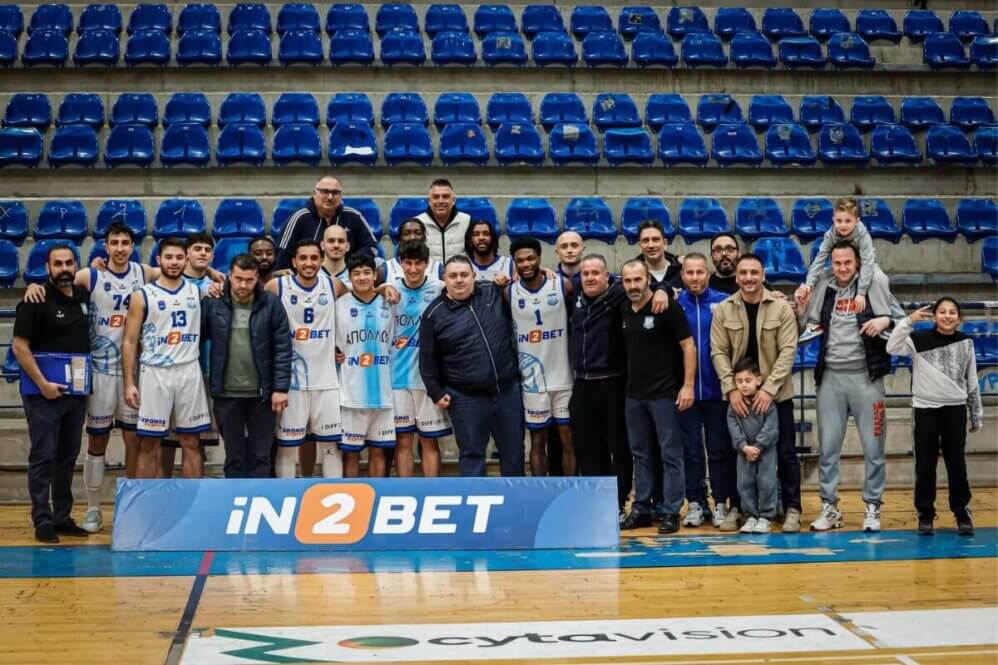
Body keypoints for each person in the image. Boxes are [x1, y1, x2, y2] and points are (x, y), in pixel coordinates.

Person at [22, 223, 145, 533]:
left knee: (127, 442)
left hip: (124, 373)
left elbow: (180, 268)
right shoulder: (88, 277)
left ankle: (124, 508)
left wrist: (213, 275)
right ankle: (88, 509)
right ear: (105, 246)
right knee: (87, 444)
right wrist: (31, 285)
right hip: (92, 374)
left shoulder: (139, 274)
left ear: (132, 246)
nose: (120, 247)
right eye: (114, 242)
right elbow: (21, 344)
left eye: (125, 242)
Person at [799, 241, 902, 533]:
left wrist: (885, 320)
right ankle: (830, 508)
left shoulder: (873, 286)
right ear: (830, 264)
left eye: (847, 262)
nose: (842, 268)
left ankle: (872, 506)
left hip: (867, 379)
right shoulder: (824, 287)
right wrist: (801, 309)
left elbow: (903, 322)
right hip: (831, 378)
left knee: (874, 448)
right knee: (828, 449)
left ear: (857, 263)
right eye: (837, 263)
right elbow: (806, 324)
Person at [569, 254, 668, 518]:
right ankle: (594, 501)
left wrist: (663, 289)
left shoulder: (619, 295)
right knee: (587, 448)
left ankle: (619, 500)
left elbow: (649, 283)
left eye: (595, 273)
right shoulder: (574, 297)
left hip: (613, 382)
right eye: (585, 273)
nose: (590, 278)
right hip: (582, 383)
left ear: (607, 277)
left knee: (619, 447)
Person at [710, 253, 801, 532]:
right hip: (738, 397)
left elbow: (788, 351)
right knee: (738, 455)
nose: (749, 278)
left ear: (763, 275)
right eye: (743, 273)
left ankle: (792, 508)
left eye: (754, 272)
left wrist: (769, 389)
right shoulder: (724, 309)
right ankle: (739, 508)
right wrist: (731, 389)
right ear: (737, 277)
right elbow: (718, 351)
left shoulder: (781, 308)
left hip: (777, 395)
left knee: (785, 452)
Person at [13, 244, 91, 543]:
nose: (64, 269)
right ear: (47, 268)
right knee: (43, 456)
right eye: (58, 264)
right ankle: (42, 519)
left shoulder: (82, 297)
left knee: (67, 456)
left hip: (75, 393)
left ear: (76, 265)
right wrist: (43, 384)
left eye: (69, 263)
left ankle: (62, 516)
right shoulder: (35, 300)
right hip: (42, 395)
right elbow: (20, 348)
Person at [419, 256, 524, 477]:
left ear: (474, 276)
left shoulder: (492, 291)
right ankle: (476, 499)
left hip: (507, 392)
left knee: (514, 453)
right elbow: (427, 359)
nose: (459, 280)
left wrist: (541, 272)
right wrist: (435, 391)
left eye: (464, 275)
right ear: (444, 279)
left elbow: (525, 281)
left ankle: (516, 498)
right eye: (453, 276)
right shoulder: (433, 314)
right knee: (472, 456)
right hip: (466, 398)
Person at [887, 297, 982, 536]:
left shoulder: (966, 342)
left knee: (956, 463)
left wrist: (976, 413)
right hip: (925, 410)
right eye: (942, 311)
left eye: (952, 312)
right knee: (925, 464)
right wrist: (909, 320)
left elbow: (972, 379)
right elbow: (892, 346)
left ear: (958, 318)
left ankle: (961, 512)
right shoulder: (918, 339)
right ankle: (925, 514)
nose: (947, 316)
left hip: (955, 410)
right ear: (935, 316)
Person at [122, 237, 212, 479]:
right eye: (169, 257)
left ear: (186, 260)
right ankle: (146, 501)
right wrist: (129, 383)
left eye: (179, 257)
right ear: (158, 260)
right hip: (154, 373)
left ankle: (194, 501)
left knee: (191, 441)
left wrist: (214, 273)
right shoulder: (142, 295)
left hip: (189, 371)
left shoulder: (199, 292)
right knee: (149, 443)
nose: (174, 262)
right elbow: (129, 342)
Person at [618, 260, 696, 535]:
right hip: (634, 395)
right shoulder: (623, 308)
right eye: (628, 280)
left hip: (665, 394)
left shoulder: (667, 307)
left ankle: (671, 510)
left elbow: (688, 346)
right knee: (640, 454)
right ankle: (641, 508)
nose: (633, 285)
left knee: (670, 454)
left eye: (637, 279)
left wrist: (688, 386)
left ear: (648, 279)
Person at [201, 254, 291, 478]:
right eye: (238, 279)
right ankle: (234, 499)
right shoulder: (213, 302)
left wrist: (280, 388)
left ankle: (259, 498)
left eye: (249, 280)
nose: (243, 285)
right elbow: (195, 338)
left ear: (257, 278)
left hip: (262, 393)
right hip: (226, 392)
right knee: (234, 456)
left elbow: (283, 347)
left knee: (262, 456)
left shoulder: (271, 303)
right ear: (229, 276)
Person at [266, 240, 347, 478]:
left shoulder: (333, 285)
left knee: (331, 447)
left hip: (327, 381)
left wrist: (383, 288)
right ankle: (286, 495)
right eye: (303, 258)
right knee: (287, 448)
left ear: (321, 260)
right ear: (294, 261)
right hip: (292, 384)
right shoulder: (277, 286)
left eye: (314, 258)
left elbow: (361, 298)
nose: (309, 263)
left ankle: (333, 494)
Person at [676, 252, 739, 530]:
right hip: (685, 392)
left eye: (699, 272)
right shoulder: (675, 305)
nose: (695, 278)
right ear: (682, 276)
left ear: (708, 274)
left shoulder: (724, 303)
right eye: (689, 272)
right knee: (691, 451)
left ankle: (721, 502)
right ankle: (695, 502)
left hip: (717, 391)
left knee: (718, 450)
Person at [506, 237, 575, 476]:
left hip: (563, 377)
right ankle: (540, 489)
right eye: (520, 261)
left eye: (530, 258)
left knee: (568, 439)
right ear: (514, 263)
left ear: (539, 258)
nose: (526, 264)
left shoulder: (562, 285)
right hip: (532, 382)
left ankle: (571, 489)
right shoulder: (508, 291)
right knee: (537, 441)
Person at [160, 233, 219, 478]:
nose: (203, 253)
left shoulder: (217, 286)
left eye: (207, 249)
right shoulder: (167, 281)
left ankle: (195, 494)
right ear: (186, 255)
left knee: (196, 438)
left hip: (205, 370)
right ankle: (163, 490)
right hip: (170, 369)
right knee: (165, 439)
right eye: (197, 248)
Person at [389, 241, 449, 477]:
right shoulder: (390, 289)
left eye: (418, 263)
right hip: (397, 378)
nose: (413, 269)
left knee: (429, 441)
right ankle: (406, 490)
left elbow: (469, 285)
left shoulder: (439, 288)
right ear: (400, 264)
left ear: (426, 264)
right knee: (403, 440)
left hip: (428, 381)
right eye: (408, 263)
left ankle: (432, 490)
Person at [336, 253, 397, 478]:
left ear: (374, 275)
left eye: (366, 272)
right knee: (351, 454)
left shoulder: (389, 302)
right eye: (357, 273)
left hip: (383, 394)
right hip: (351, 395)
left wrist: (388, 287)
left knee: (378, 452)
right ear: (350, 277)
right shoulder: (339, 305)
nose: (362, 277)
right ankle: (351, 495)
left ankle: (376, 494)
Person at [796, 197, 878, 316]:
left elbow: (867, 262)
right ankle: (812, 318)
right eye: (839, 221)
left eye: (848, 221)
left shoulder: (863, 236)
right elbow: (820, 259)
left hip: (865, 265)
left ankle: (886, 315)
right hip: (843, 265)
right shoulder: (830, 235)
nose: (843, 225)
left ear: (856, 221)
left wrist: (861, 292)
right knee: (820, 279)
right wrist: (809, 284)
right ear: (833, 220)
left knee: (880, 279)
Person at [275, 176, 379, 270]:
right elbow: (283, 251)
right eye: (324, 192)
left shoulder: (353, 216)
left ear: (341, 195)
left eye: (335, 192)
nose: (330, 197)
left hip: (347, 275)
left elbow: (371, 247)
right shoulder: (299, 218)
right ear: (314, 193)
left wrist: (350, 265)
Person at [727, 360, 779, 535]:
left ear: (758, 380)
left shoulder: (767, 403)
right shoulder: (734, 406)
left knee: (766, 482)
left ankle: (766, 517)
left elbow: (771, 428)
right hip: (744, 453)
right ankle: (750, 515)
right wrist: (743, 447)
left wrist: (758, 446)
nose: (743, 385)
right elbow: (733, 428)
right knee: (744, 483)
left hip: (766, 452)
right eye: (739, 381)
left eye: (748, 380)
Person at [416, 179, 471, 264]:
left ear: (453, 200)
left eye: (445, 196)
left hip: (458, 272)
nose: (440, 201)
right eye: (436, 197)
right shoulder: (417, 223)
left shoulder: (467, 221)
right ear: (429, 201)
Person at [383, 218, 442, 284]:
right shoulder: (385, 269)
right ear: (400, 238)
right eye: (406, 234)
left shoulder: (438, 269)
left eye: (417, 233)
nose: (412, 237)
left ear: (424, 237)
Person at [636, 220, 682, 290]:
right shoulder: (632, 274)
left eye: (655, 240)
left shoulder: (681, 270)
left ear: (665, 243)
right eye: (645, 240)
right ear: (640, 246)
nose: (651, 245)